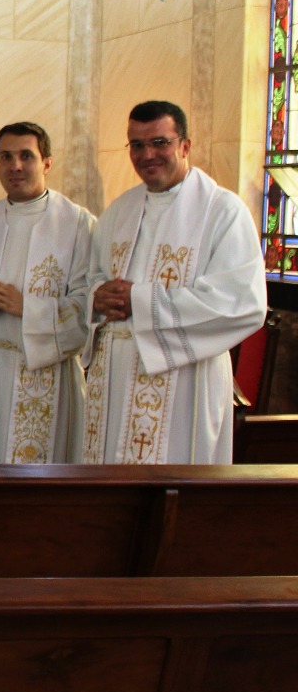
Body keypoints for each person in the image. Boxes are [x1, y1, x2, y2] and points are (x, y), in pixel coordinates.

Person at [83, 101, 265, 464]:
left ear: (184, 145)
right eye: (137, 145)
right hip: (114, 386)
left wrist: (142, 301)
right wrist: (96, 298)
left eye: (160, 143)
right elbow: (95, 280)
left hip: (183, 389)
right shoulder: (118, 212)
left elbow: (243, 303)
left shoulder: (223, 212)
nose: (147, 154)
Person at [0, 122, 95, 465]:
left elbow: (89, 309)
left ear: (47, 162)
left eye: (26, 156)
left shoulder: (78, 225)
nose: (15, 166)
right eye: (6, 156)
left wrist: (26, 306)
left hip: (46, 374)